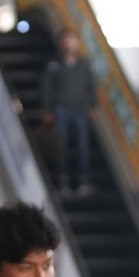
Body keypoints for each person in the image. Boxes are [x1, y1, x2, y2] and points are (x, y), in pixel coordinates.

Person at [41, 27, 97, 194]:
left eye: (72, 39)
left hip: (80, 109)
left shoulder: (83, 64)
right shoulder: (54, 64)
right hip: (61, 109)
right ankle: (63, 180)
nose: (69, 43)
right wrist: (47, 109)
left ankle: (84, 180)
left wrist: (92, 105)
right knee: (61, 146)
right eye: (66, 39)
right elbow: (47, 88)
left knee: (83, 146)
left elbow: (90, 87)